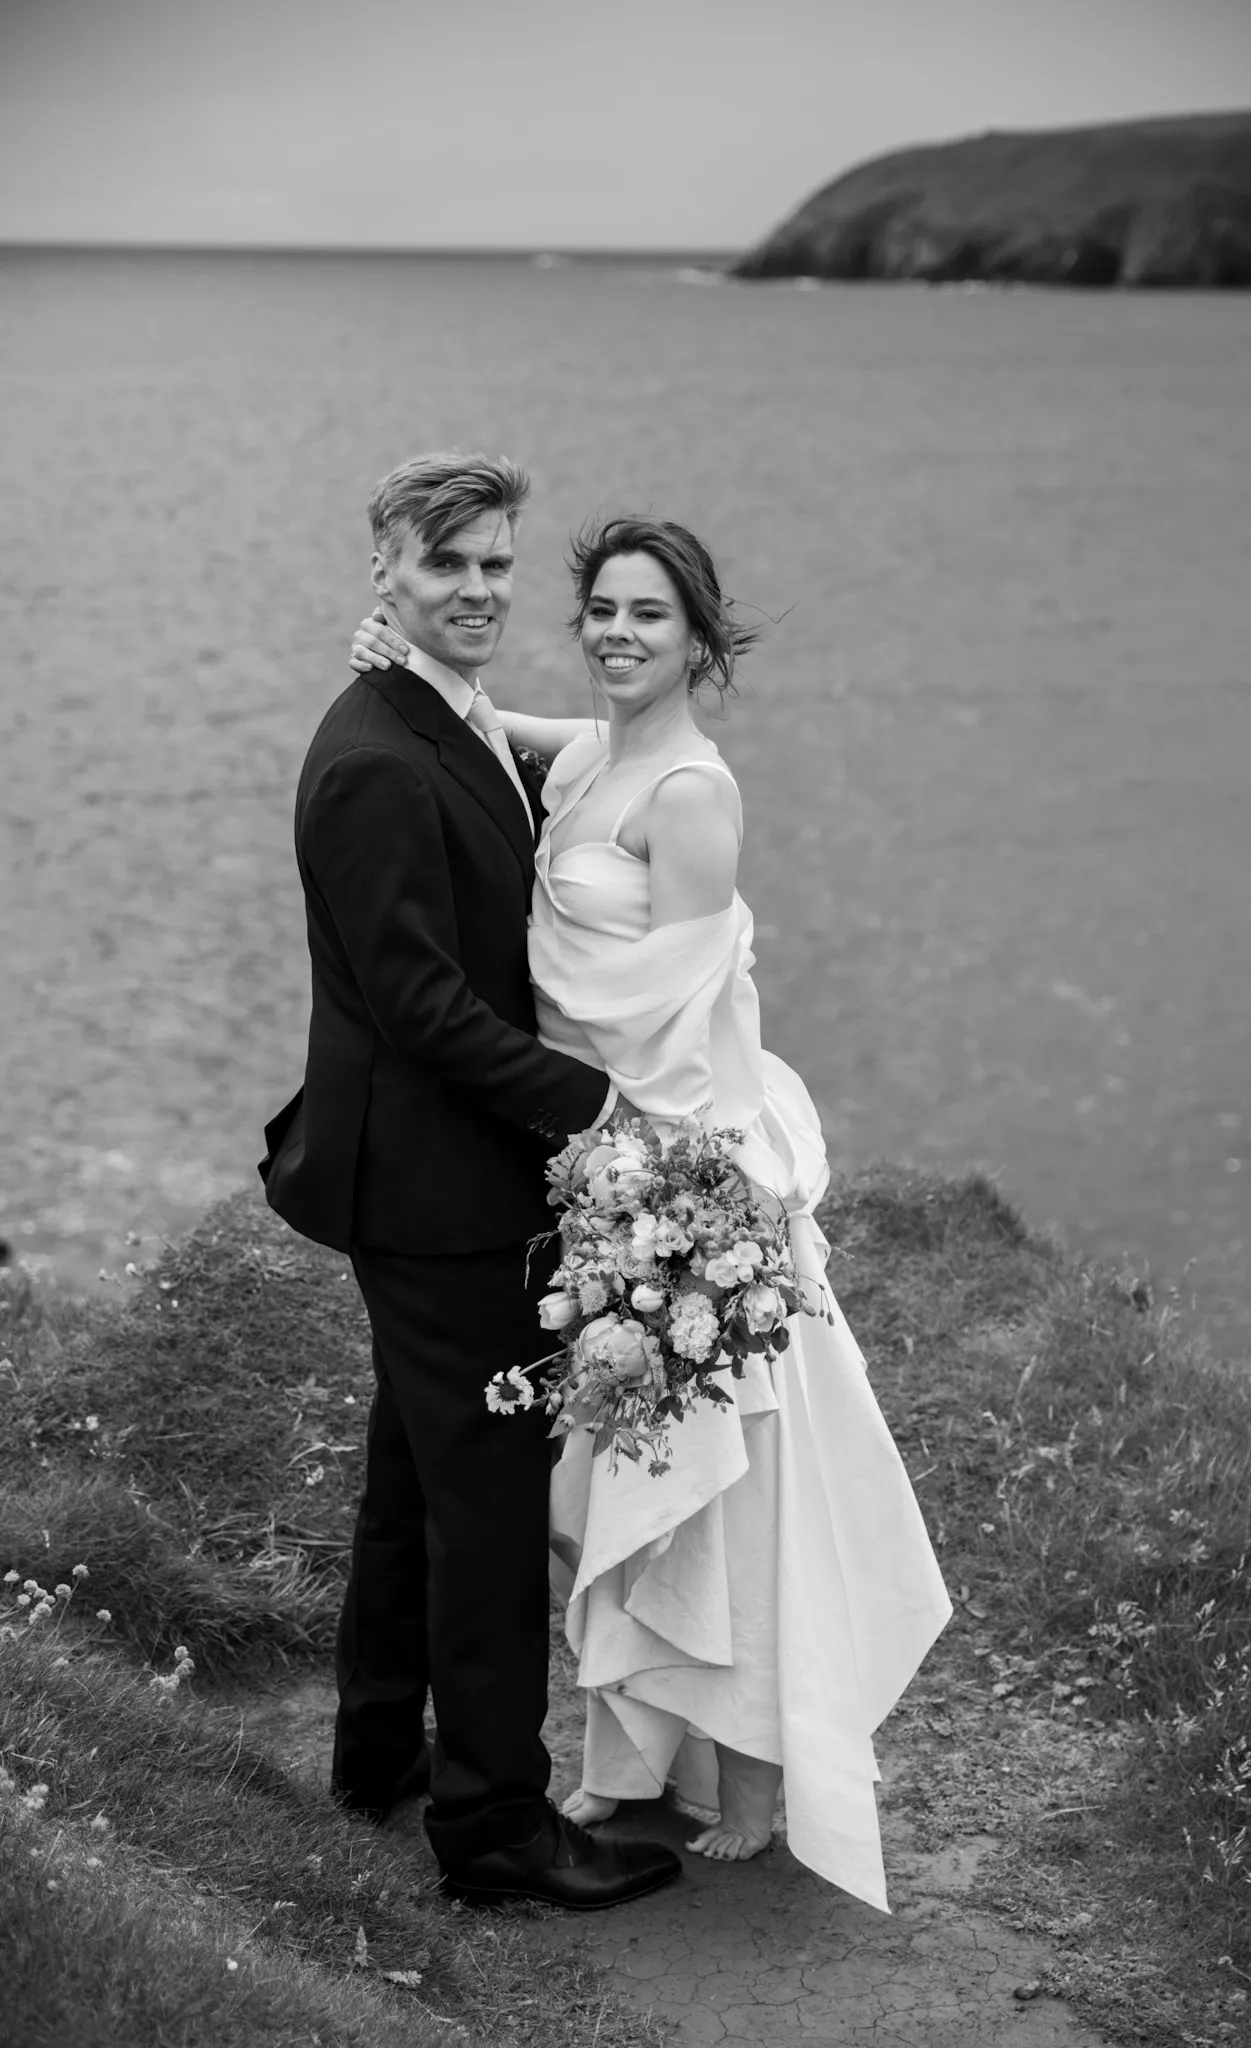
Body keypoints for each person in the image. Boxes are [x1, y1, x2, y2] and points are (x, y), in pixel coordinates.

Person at [349, 512, 953, 1913]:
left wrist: (644, 1189)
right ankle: (646, 1756)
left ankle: (751, 1775)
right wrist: (413, 662)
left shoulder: (690, 794)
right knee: (616, 1485)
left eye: (651, 618)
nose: (620, 634)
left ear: (701, 640)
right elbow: (501, 731)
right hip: (604, 1167)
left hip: (682, 1173)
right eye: (604, 610)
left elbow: (674, 1023)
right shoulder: (597, 752)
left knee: (718, 1481)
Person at [259, 452, 681, 1911]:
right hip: (436, 1193)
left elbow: (540, 763)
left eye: (500, 564)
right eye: (449, 567)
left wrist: (642, 735)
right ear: (386, 568)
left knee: (413, 1481)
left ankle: (378, 1756)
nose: (483, 591)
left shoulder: (434, 715)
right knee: (489, 1503)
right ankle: (496, 1832)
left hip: (426, 1176)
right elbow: (424, 1009)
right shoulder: (374, 762)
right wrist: (602, 1106)